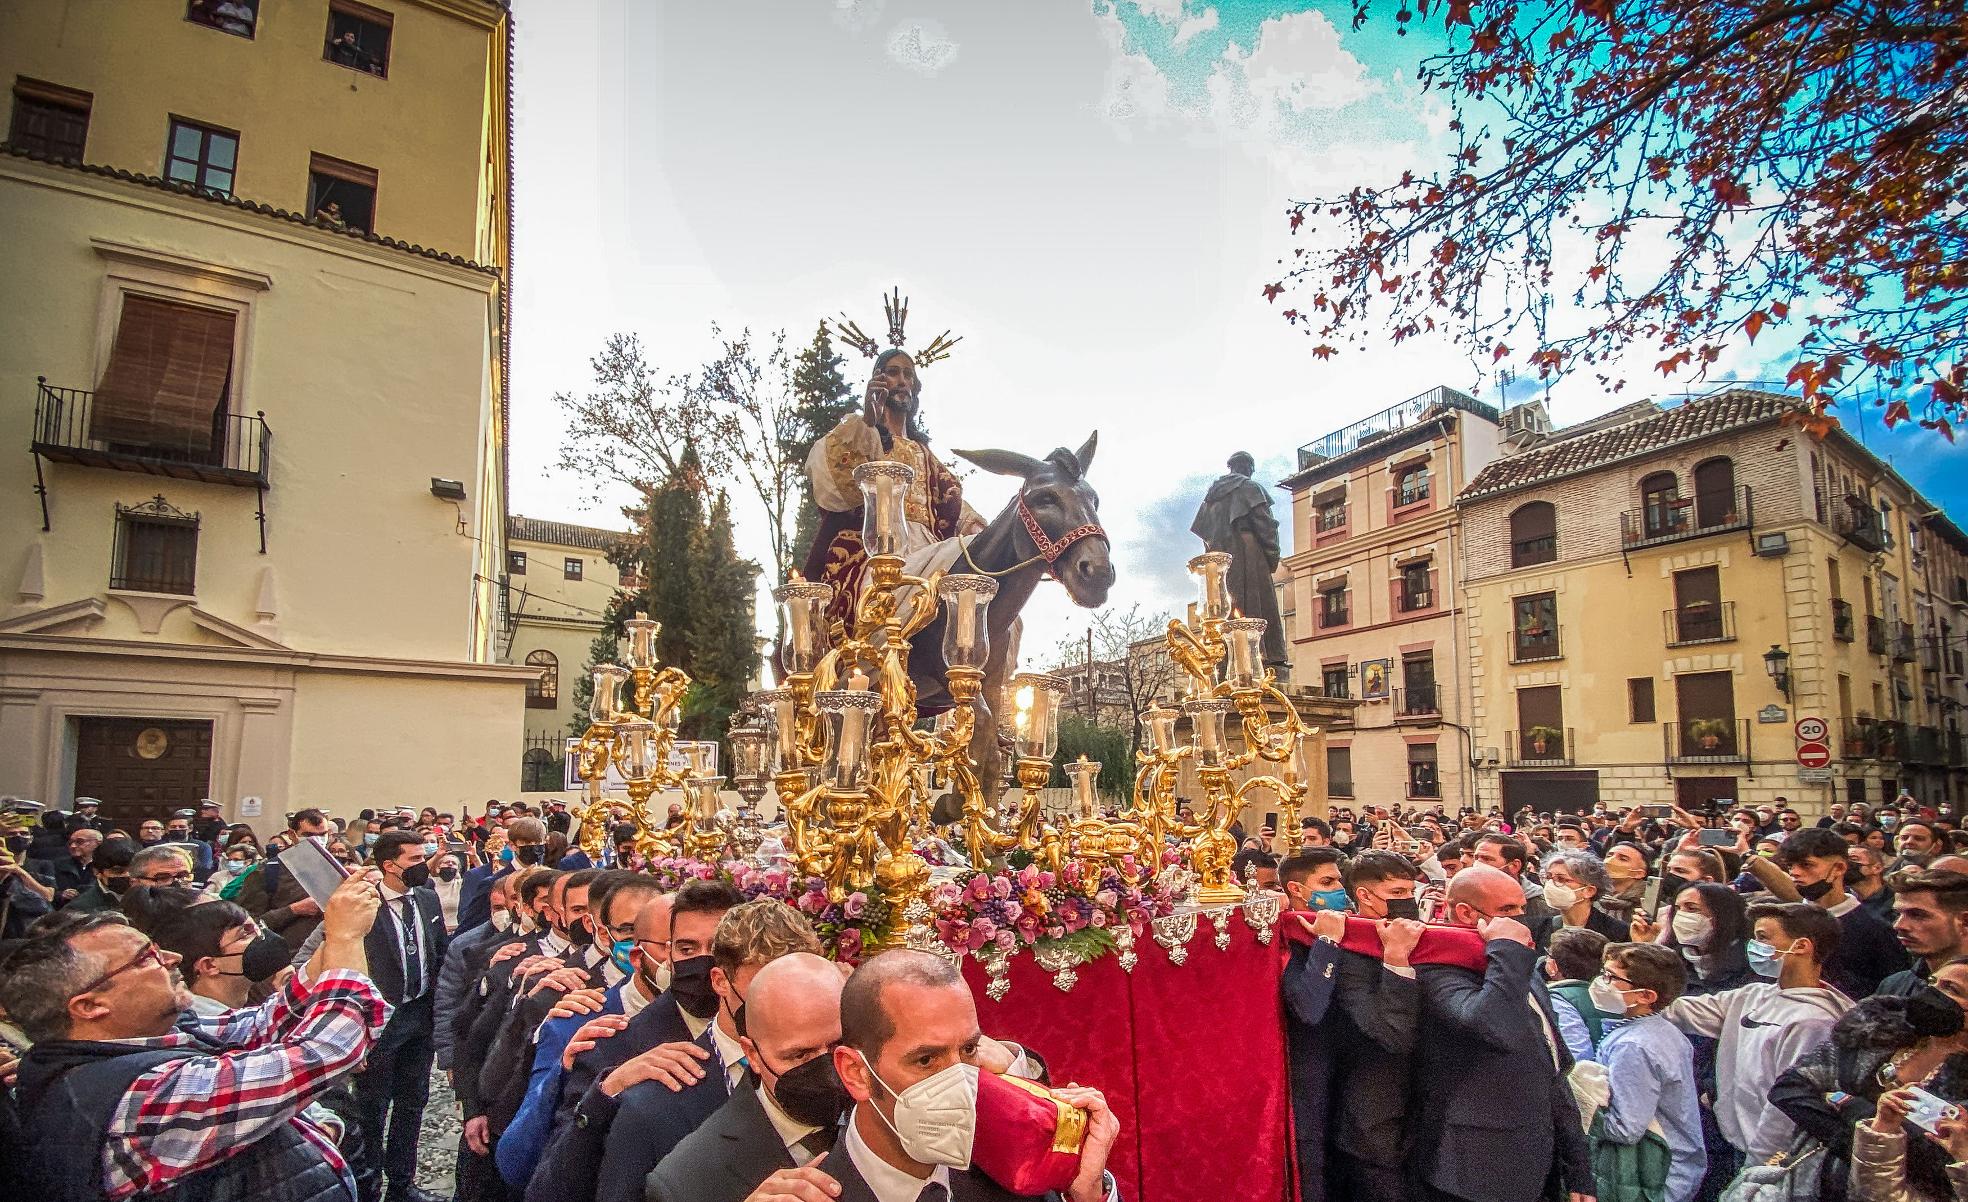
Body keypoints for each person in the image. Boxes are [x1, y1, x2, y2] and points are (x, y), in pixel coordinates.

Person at [1, 870, 385, 1202]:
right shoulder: (136, 1098)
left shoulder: (149, 1038)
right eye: (145, 957)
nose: (171, 957)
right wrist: (347, 938)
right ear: (90, 1006)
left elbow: (264, 1024)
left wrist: (337, 934)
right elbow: (324, 1053)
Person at [822, 949, 1122, 1202]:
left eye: (968, 1050)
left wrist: (1088, 1195)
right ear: (857, 1073)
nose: (961, 1084)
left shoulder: (1017, 1173)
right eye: (926, 1060)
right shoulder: (807, 1191)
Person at [591, 899, 824, 1202]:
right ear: (720, 981)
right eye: (765, 989)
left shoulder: (847, 1070)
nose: (788, 1006)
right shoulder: (652, 1107)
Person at [1410, 865, 1594, 1202]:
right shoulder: (1437, 969)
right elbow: (1493, 1026)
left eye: (1522, 909)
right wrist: (1507, 951)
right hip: (1473, 1169)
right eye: (1507, 911)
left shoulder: (1522, 965)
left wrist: (1578, 1166)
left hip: (1537, 1158)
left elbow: (1551, 1066)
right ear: (1466, 913)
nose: (1520, 920)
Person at [1658, 901, 1853, 1172]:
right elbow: (1683, 1010)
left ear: (1801, 946)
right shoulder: (1755, 994)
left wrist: (1761, 1162)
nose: (1754, 945)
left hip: (1772, 1159)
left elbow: (1787, 1106)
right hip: (1734, 1141)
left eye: (1763, 938)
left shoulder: (1814, 1022)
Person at [644, 952, 848, 1202]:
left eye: (839, 1046)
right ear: (752, 1054)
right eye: (799, 1055)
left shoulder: (892, 1116)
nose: (827, 1068)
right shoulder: (685, 1180)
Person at [801, 345, 980, 627]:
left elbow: (953, 500)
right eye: (893, 373)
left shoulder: (923, 452)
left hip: (930, 546)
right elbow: (833, 485)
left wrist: (979, 530)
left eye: (908, 375)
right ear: (878, 380)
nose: (902, 381)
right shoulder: (864, 434)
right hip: (877, 548)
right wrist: (868, 420)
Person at [1281, 849, 1423, 1202]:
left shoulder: (1357, 933)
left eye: (1339, 882)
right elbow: (1309, 1007)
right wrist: (1327, 942)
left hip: (1361, 1083)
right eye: (1327, 883)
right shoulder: (1288, 936)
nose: (1339, 892)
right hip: (1313, 1082)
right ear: (1297, 890)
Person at [1772, 957, 1968, 1202]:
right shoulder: (1875, 1031)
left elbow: (1929, 1158)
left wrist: (1845, 1103)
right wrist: (1854, 1137)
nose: (1932, 993)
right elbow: (1788, 1089)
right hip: (1806, 1185)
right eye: (1933, 982)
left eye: (1951, 989)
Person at [347, 830, 449, 1202]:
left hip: (419, 1014)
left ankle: (402, 1185)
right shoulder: (364, 905)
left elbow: (439, 951)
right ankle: (369, 1185)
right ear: (389, 865)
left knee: (412, 1102)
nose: (422, 866)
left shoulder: (425, 898)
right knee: (372, 1108)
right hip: (380, 1019)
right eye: (413, 860)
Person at [1586, 943, 1705, 1202]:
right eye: (1603, 973)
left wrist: (1580, 1108)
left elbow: (1624, 1129)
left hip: (1652, 1178)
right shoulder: (1660, 1031)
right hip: (1676, 1171)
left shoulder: (1633, 1046)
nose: (1601, 983)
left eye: (1611, 978)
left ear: (1646, 996)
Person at [1778, 828, 1909, 997]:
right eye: (1790, 866)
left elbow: (1891, 989)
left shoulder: (1874, 928)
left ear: (1839, 868)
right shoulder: (1783, 921)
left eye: (1806, 865)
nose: (1795, 872)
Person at [1190, 451, 1288, 672]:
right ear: (1248, 467)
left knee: (1227, 607)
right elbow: (1266, 525)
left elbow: (1204, 534)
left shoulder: (1211, 498)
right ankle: (1266, 657)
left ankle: (1228, 660)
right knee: (1258, 606)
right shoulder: (1250, 488)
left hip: (1219, 563)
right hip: (1249, 554)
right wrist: (1272, 556)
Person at [1879, 869, 1968, 998]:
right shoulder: (1893, 986)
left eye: (1917, 915)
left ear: (1965, 922)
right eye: (1897, 914)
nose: (1898, 925)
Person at [460, 817, 547, 932]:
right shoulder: (493, 882)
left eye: (538, 842)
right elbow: (471, 925)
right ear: (512, 846)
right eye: (526, 842)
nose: (534, 846)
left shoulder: (550, 879)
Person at [1543, 926, 1613, 1062]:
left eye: (1548, 954)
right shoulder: (1617, 994)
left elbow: (1578, 1056)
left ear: (1553, 966)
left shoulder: (1558, 1000)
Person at [1540, 847, 1630, 943]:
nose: (1550, 884)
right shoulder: (1541, 928)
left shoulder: (1617, 932)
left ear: (1589, 891)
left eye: (1561, 879)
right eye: (1548, 877)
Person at [31, 826, 102, 907]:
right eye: (70, 842)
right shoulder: (56, 865)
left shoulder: (103, 867)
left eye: (80, 841)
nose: (73, 846)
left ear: (97, 843)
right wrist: (61, 895)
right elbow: (46, 891)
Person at [67, 836, 139, 913]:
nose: (128, 875)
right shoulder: (78, 910)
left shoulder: (150, 897)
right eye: (118, 871)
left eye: (134, 870)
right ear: (96, 872)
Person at [1852, 844, 1896, 921]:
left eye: (1854, 859)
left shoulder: (1896, 900)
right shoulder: (1841, 898)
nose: (1846, 864)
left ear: (1877, 868)